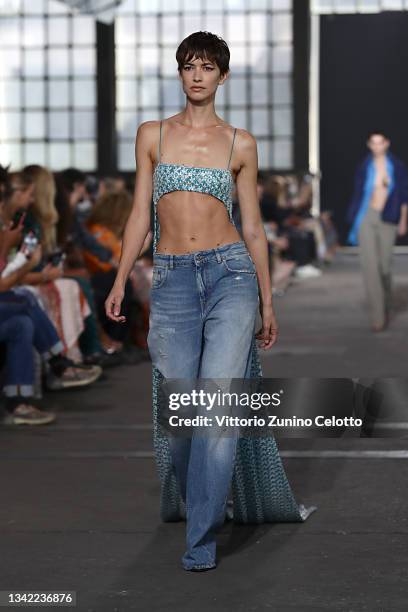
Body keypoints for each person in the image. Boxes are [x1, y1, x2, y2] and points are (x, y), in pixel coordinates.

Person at [105, 31, 317, 572]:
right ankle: (202, 495)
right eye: (188, 66)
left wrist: (268, 301)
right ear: (179, 74)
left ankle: (201, 536)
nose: (197, 74)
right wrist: (119, 277)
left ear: (222, 76)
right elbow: (137, 216)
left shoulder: (239, 143)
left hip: (231, 276)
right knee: (180, 411)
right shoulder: (152, 135)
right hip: (173, 278)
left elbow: (253, 227)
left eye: (207, 66)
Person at [346, 131, 408, 331]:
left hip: (388, 217)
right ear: (369, 145)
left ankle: (386, 302)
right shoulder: (365, 166)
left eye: (380, 142)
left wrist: (403, 221)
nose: (377, 146)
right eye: (373, 143)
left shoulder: (397, 166)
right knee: (370, 266)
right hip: (366, 216)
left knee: (384, 267)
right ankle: (378, 317)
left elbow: (404, 196)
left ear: (387, 144)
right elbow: (358, 192)